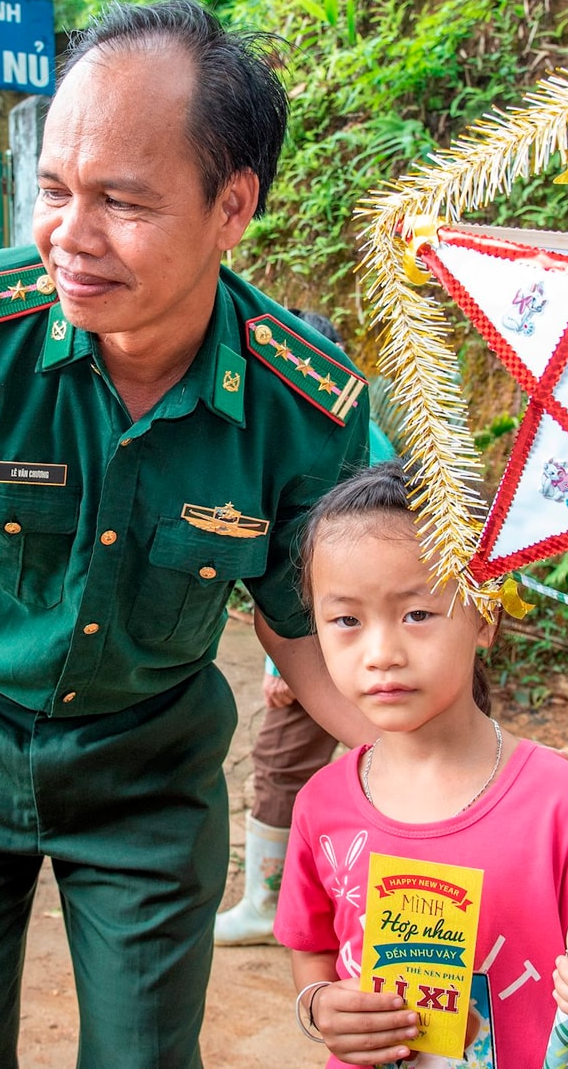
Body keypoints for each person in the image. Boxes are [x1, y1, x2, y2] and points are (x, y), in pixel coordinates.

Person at [0, 0, 377, 1068]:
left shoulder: (306, 408)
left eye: (123, 202)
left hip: (149, 776)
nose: (70, 234)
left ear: (232, 206)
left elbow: (306, 628)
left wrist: (431, 775)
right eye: (54, 190)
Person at [276, 463, 568, 1069]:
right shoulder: (322, 804)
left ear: (485, 617)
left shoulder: (563, 803)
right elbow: (312, 951)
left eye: (417, 614)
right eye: (346, 620)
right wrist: (318, 1007)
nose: (381, 654)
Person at [217, 312, 394, 948]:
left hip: (331, 649)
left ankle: (276, 903)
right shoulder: (369, 435)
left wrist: (279, 670)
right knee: (385, 766)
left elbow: (304, 578)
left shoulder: (320, 439)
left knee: (283, 766)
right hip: (358, 640)